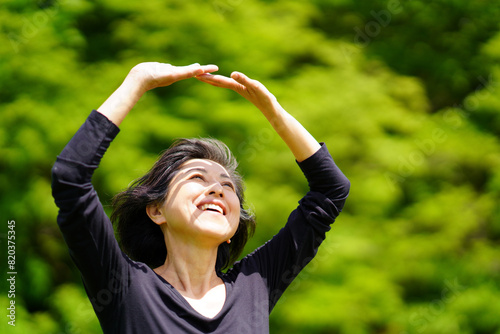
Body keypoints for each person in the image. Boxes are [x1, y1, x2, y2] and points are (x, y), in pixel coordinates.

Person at [51, 62, 350, 333]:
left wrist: (275, 115)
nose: (218, 189)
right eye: (197, 178)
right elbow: (70, 177)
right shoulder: (124, 286)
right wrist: (137, 81)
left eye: (227, 187)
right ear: (156, 210)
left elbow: (331, 190)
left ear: (233, 228)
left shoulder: (255, 285)